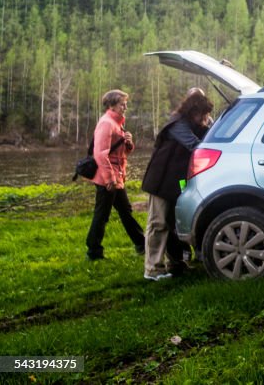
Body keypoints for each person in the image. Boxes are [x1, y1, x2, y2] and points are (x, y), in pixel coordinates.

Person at [141, 88, 213, 281]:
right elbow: (195, 145)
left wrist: (209, 125)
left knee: (173, 222)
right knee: (158, 223)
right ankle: (153, 269)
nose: (204, 118)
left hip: (176, 180)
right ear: (193, 111)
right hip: (161, 180)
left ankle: (176, 262)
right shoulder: (177, 124)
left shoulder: (191, 122)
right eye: (202, 114)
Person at [85, 89, 146, 261]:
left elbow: (120, 153)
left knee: (126, 211)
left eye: (126, 103)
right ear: (112, 105)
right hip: (108, 179)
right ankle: (93, 252)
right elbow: (100, 154)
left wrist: (129, 143)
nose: (125, 107)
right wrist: (110, 179)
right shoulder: (107, 123)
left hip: (116, 177)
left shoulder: (117, 122)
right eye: (122, 104)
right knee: (102, 215)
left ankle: (141, 243)